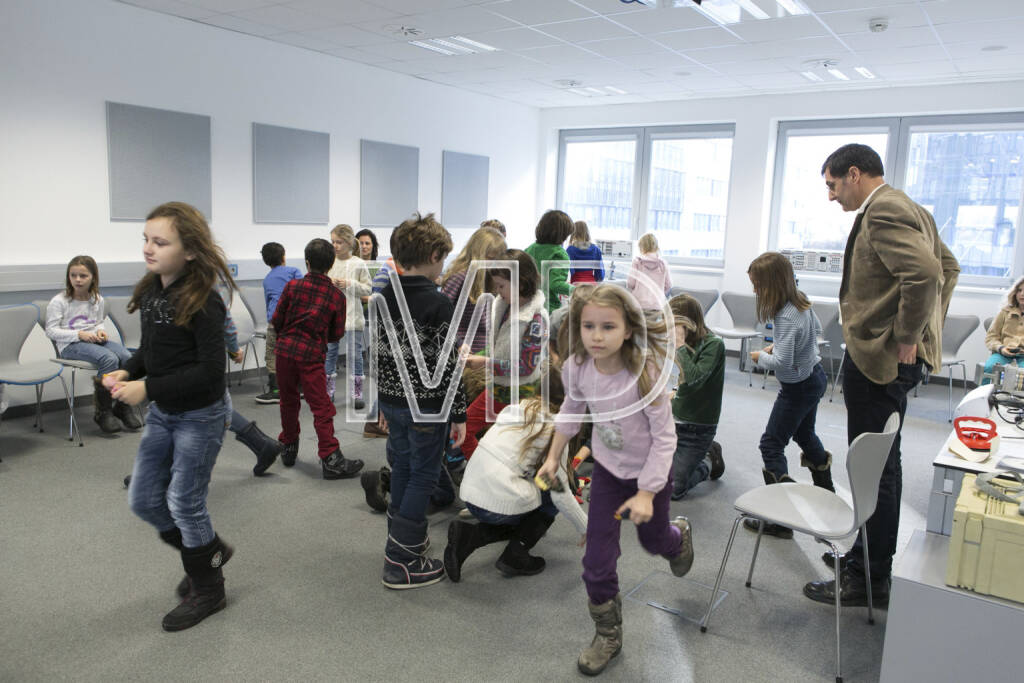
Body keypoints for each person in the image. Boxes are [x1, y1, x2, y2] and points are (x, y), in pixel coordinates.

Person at [803, 143, 959, 608]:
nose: (831, 196)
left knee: (872, 470)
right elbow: (948, 268)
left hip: (879, 361)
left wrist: (908, 335)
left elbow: (928, 273)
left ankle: (868, 578)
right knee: (881, 464)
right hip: (890, 359)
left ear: (854, 174)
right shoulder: (910, 206)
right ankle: (867, 562)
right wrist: (924, 331)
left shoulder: (883, 209)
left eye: (832, 185)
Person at [536, 283, 692, 676]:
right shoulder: (577, 367)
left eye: (607, 326)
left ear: (627, 329)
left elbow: (664, 439)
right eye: (589, 326)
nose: (596, 336)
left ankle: (677, 538)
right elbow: (571, 411)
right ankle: (608, 635)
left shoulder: (645, 372)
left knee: (652, 541)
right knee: (596, 561)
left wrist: (645, 493)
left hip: (649, 478)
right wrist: (553, 457)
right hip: (607, 474)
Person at [108, 202, 236, 632]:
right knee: (143, 499)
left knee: (184, 501)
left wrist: (147, 388)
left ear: (191, 251)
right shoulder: (152, 291)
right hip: (165, 414)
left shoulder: (204, 301)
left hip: (200, 416)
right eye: (146, 239)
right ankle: (208, 550)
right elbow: (152, 350)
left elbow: (210, 373)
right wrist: (130, 368)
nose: (148, 248)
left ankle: (209, 586)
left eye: (160, 242)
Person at [374, 212, 467, 590]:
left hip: (393, 402)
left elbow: (377, 353)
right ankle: (402, 559)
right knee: (423, 474)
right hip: (428, 406)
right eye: (442, 257)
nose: (443, 265)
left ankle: (402, 537)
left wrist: (381, 403)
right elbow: (449, 366)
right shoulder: (439, 304)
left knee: (402, 467)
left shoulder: (382, 296)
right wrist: (458, 413)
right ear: (432, 254)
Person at [444, 368, 587, 582]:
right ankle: (516, 554)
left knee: (529, 496)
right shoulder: (556, 430)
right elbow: (560, 493)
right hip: (495, 503)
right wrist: (587, 528)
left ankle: (470, 537)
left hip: (470, 493)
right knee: (551, 497)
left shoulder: (517, 407)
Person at [745, 252, 831, 538]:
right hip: (814, 377)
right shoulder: (800, 299)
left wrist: (760, 356)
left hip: (798, 387)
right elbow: (815, 330)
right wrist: (781, 349)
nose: (755, 291)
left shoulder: (784, 316)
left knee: (770, 445)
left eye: (757, 285)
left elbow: (782, 363)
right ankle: (827, 493)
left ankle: (781, 520)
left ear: (772, 283)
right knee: (805, 436)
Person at [272, 238, 363, 480]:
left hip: (284, 353)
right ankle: (331, 458)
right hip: (311, 356)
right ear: (331, 264)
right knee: (321, 407)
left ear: (307, 262)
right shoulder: (336, 297)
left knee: (288, 401)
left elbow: (277, 319)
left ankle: (288, 447)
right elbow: (336, 334)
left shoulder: (292, 287)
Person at [459, 248, 547, 461]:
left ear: (522, 283)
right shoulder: (504, 306)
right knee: (462, 430)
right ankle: (483, 471)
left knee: (514, 448)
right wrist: (473, 353)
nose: (498, 291)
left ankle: (492, 475)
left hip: (520, 395)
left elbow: (526, 367)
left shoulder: (536, 319)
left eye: (501, 286)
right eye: (496, 286)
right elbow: (500, 347)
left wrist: (485, 362)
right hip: (497, 389)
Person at [45, 255, 139, 433]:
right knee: (108, 359)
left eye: (83, 276)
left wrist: (100, 331)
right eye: (73, 275)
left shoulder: (96, 299)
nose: (78, 280)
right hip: (70, 346)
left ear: (93, 277)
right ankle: (103, 411)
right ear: (68, 277)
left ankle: (122, 405)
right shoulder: (59, 301)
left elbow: (97, 323)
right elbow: (51, 331)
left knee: (127, 357)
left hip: (92, 341)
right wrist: (79, 334)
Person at [667, 293, 725, 500]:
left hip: (698, 428)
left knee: (673, 489)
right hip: (673, 422)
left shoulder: (713, 345)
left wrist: (680, 345)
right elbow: (677, 378)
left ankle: (709, 460)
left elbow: (693, 379)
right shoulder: (677, 343)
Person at [440, 225, 506, 353]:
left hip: (486, 351)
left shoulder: (492, 279)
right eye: (491, 259)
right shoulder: (460, 278)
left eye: (498, 260)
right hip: (464, 352)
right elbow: (442, 316)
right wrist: (458, 343)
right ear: (478, 254)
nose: (494, 264)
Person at [326, 224, 371, 407]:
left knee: (355, 356)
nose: (335, 246)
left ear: (349, 242)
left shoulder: (358, 263)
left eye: (339, 242)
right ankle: (328, 393)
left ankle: (357, 394)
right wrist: (331, 284)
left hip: (353, 316)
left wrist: (350, 284)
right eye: (333, 242)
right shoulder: (329, 262)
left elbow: (368, 288)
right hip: (332, 318)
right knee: (330, 355)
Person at [255, 242, 301, 404]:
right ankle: (299, 387)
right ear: (283, 256)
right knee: (295, 353)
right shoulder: (294, 271)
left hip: (275, 322)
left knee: (272, 355)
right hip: (294, 321)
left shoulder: (267, 280)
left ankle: (276, 390)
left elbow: (269, 304)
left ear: (266, 261)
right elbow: (303, 292)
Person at [525, 209, 574, 312]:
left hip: (526, 304)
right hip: (547, 307)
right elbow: (555, 284)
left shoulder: (529, 249)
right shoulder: (559, 253)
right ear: (562, 235)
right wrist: (580, 290)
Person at [982, 276, 1024, 382]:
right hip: (1003, 353)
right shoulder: (1005, 312)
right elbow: (991, 337)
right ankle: (985, 398)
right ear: (1015, 293)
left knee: (1021, 375)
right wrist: (1001, 348)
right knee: (988, 368)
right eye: (1019, 290)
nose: (1022, 294)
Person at [627, 233, 672, 312]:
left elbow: (630, 283)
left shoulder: (637, 261)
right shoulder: (663, 264)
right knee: (653, 324)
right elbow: (668, 285)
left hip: (639, 303)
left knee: (640, 324)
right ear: (656, 246)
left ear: (641, 247)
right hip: (657, 305)